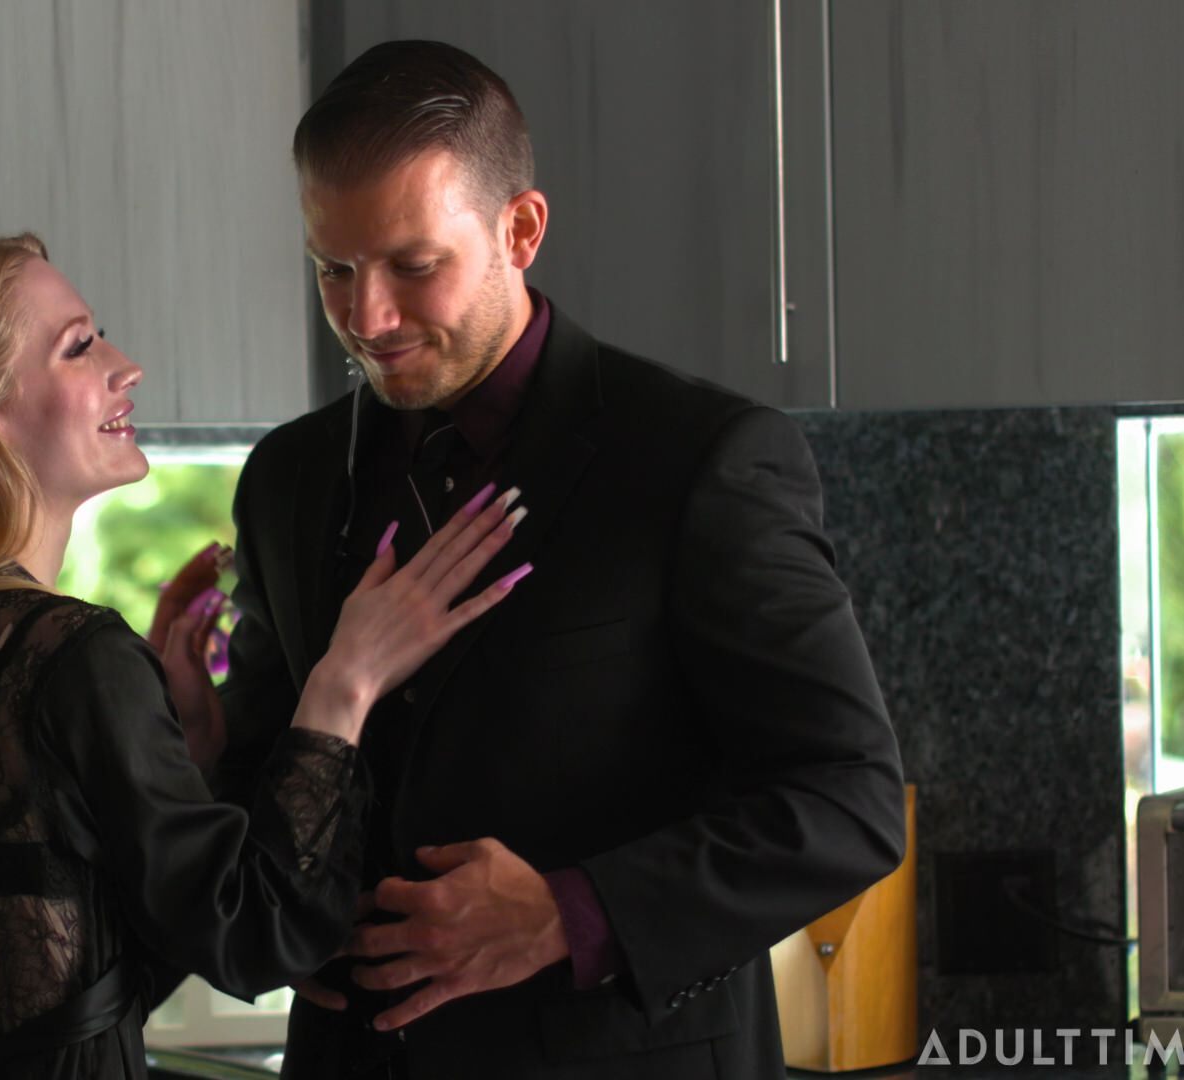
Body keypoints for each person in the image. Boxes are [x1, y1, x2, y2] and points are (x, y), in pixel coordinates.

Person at [181, 40, 908, 1079]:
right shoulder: (285, 480)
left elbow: (849, 801)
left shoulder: (698, 460)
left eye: (412, 266)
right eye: (333, 269)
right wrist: (223, 791)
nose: (366, 317)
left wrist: (570, 914)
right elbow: (271, 784)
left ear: (520, 230)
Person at [0, 233, 529, 1079]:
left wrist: (187, 760)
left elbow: (84, 984)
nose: (125, 367)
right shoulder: (72, 655)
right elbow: (257, 938)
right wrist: (344, 683)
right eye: (79, 346)